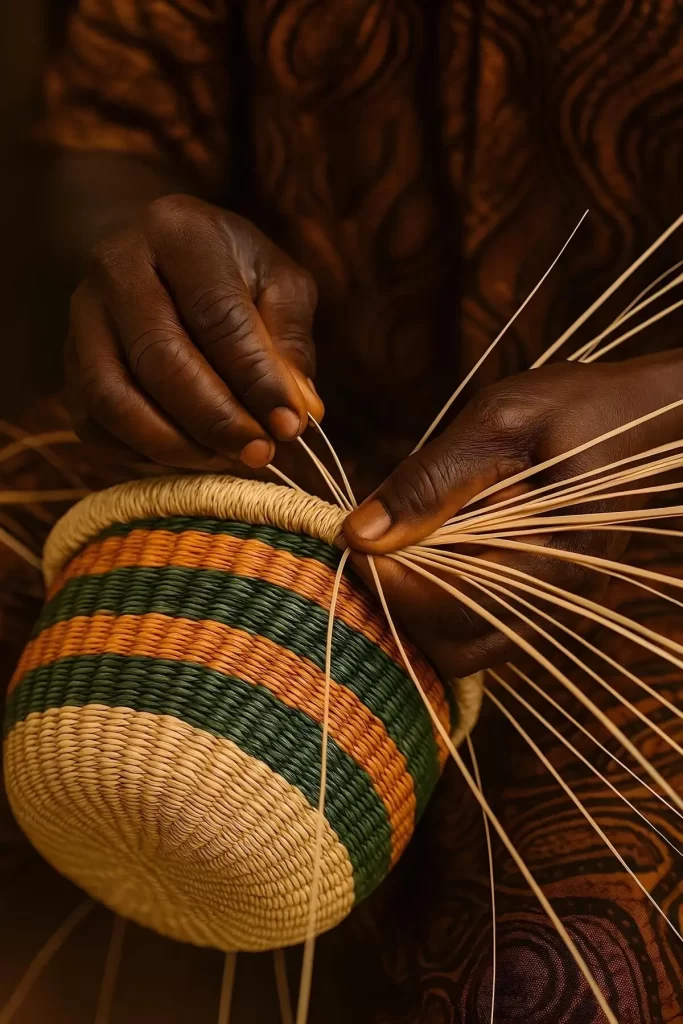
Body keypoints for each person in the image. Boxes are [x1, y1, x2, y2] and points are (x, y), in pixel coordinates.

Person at [1, 2, 683, 1021]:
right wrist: (140, 254)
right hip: (255, 434)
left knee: (566, 984)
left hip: (642, 512)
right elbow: (110, 130)